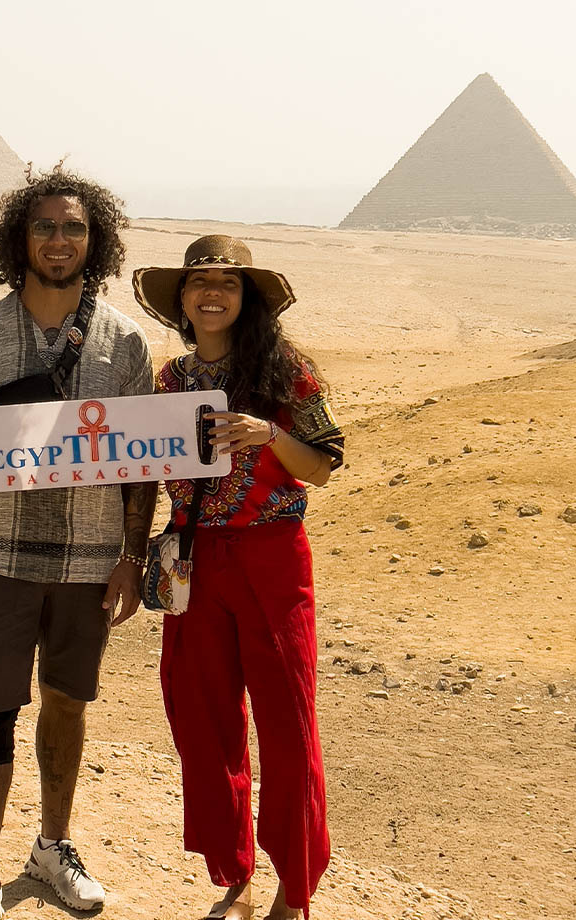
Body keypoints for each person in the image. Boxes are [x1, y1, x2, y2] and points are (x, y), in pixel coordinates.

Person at [0, 167, 156, 920]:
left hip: (87, 558)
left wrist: (132, 557)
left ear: (94, 241)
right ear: (18, 239)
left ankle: (54, 846)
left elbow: (144, 464)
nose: (58, 241)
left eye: (73, 228)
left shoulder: (124, 344)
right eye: (44, 227)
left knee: (67, 704)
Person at [132, 235, 343, 919]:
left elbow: (323, 464)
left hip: (271, 560)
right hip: (195, 560)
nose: (212, 294)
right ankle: (236, 874)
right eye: (199, 284)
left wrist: (268, 435)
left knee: (287, 722)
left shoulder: (287, 374)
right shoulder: (168, 383)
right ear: (183, 302)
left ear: (246, 297)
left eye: (227, 282)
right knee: (203, 719)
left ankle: (295, 888)